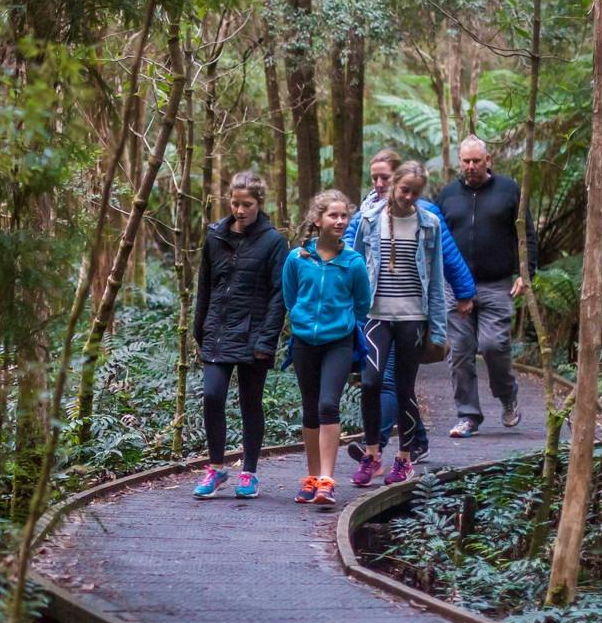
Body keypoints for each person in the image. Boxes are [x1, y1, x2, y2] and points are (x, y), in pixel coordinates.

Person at [345, 148, 474, 461]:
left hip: (410, 313)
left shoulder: (427, 217)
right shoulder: (367, 214)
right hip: (377, 311)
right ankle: (415, 440)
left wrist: (464, 292)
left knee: (394, 383)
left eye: (384, 177)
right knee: (384, 382)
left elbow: (446, 257)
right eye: (374, 178)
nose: (379, 183)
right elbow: (350, 251)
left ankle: (377, 446)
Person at [190, 171, 287, 499]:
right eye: (235, 203)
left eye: (247, 204)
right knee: (213, 395)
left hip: (254, 335)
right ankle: (216, 468)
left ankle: (249, 472)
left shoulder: (273, 242)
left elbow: (279, 295)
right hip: (218, 331)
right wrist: (200, 328)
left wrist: (267, 340)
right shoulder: (215, 237)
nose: (240, 210)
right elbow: (205, 286)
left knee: (250, 402)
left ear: (259, 203)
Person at [433, 135, 536, 437]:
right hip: (456, 286)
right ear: (460, 162)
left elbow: (527, 235)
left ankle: (507, 396)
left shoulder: (509, 190)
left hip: (496, 284)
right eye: (466, 161)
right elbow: (435, 241)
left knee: (493, 345)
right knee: (460, 352)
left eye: (476, 161)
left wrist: (525, 273)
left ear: (488, 160)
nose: (471, 166)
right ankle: (468, 416)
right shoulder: (447, 195)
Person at [280, 190, 369, 507]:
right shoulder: (297, 258)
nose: (340, 221)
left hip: (339, 342)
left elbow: (362, 304)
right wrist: (303, 319)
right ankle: (312, 477)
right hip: (305, 341)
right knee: (310, 407)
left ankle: (327, 482)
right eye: (333, 215)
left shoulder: (353, 262)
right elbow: (290, 297)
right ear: (318, 220)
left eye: (344, 215)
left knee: (328, 404)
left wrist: (341, 323)